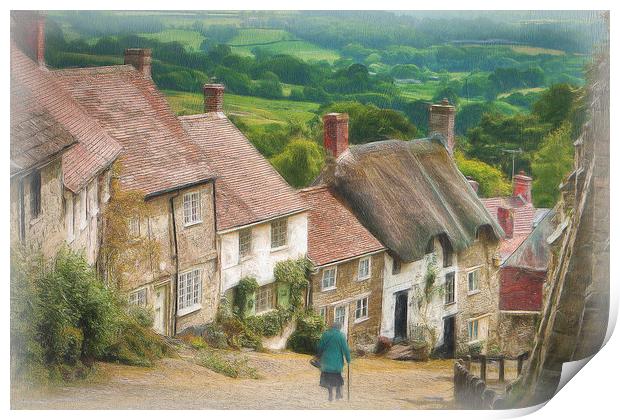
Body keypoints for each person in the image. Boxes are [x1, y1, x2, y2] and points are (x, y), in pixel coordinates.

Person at [317, 321, 351, 402]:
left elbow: (320, 347)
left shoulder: (325, 334)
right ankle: (338, 394)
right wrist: (348, 359)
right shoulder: (341, 336)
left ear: (332, 327)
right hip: (336, 363)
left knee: (328, 379)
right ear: (339, 328)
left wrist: (318, 355)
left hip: (326, 362)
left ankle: (330, 395)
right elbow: (345, 349)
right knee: (337, 378)